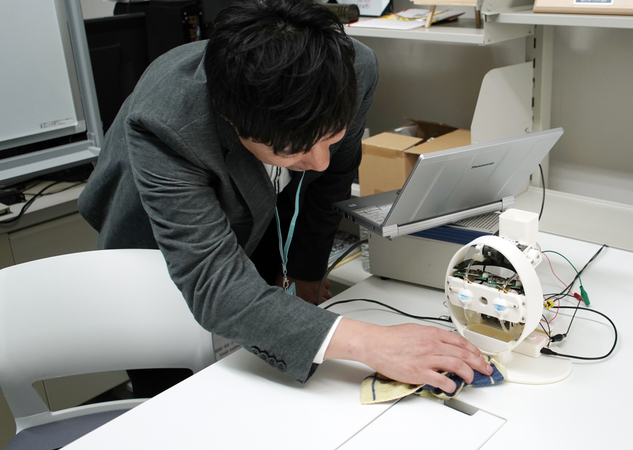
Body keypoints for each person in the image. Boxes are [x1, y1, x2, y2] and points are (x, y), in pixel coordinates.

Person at [78, 0, 491, 397]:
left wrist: (305, 277)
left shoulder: (353, 68)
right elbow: (215, 286)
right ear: (233, 122)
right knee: (175, 391)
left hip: (253, 210)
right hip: (151, 240)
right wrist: (371, 343)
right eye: (295, 153)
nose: (320, 162)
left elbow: (331, 182)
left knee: (270, 358)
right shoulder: (167, 123)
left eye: (331, 138)